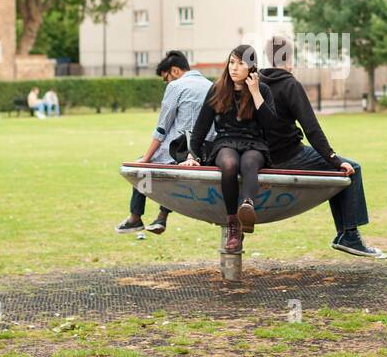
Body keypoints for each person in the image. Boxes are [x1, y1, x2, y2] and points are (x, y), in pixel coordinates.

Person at [259, 35, 386, 258]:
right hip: (290, 156)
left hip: (264, 157)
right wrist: (335, 159)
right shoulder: (290, 84)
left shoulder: (257, 83)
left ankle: (345, 234)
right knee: (351, 169)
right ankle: (350, 236)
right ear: (289, 59)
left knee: (337, 170)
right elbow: (312, 129)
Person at [185, 45, 279, 254]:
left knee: (249, 162)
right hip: (225, 142)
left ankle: (246, 207)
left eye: (240, 63)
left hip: (254, 143)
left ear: (252, 67)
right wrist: (193, 155)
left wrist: (255, 92)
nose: (234, 68)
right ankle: (234, 225)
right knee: (229, 164)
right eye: (231, 62)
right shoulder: (217, 89)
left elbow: (271, 125)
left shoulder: (262, 90)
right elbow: (199, 131)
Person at [115, 50, 212, 235]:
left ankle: (135, 218)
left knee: (143, 168)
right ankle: (161, 216)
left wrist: (146, 158)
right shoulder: (210, 85)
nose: (166, 83)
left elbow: (162, 128)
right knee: (167, 165)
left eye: (165, 78)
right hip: (207, 151)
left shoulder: (176, 86)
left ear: (174, 71)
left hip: (181, 148)